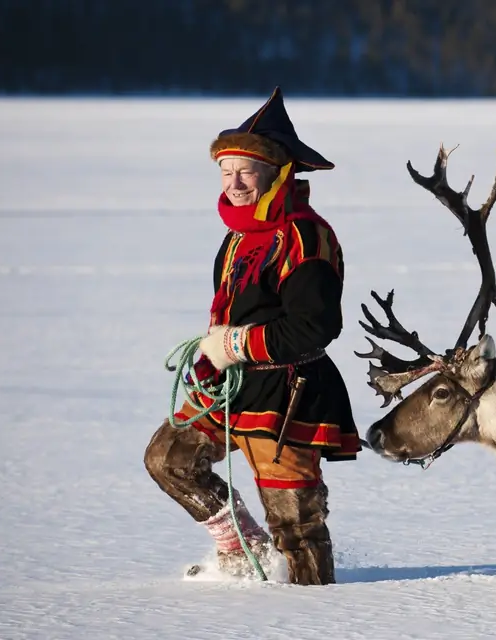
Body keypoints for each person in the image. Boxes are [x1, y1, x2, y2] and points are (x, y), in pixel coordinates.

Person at [144, 86, 360, 585]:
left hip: (289, 390)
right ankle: (244, 551)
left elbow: (316, 327)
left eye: (246, 171)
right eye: (226, 171)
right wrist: (210, 356)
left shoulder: (304, 235)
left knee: (295, 523)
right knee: (169, 459)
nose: (234, 182)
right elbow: (229, 307)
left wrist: (235, 345)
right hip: (231, 384)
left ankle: (319, 609)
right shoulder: (238, 236)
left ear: (277, 171)